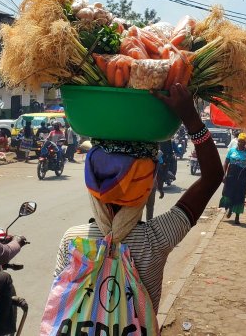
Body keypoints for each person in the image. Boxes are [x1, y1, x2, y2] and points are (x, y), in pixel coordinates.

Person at [53, 83, 224, 311]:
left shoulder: (72, 240)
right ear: (147, 186)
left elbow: (57, 308)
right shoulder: (155, 239)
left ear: (92, 184)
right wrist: (191, 117)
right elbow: (212, 178)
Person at [219, 133, 246, 224]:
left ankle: (237, 216)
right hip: (231, 176)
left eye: (242, 142)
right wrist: (223, 175)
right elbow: (226, 163)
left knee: (240, 196)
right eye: (239, 141)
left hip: (242, 177)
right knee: (228, 193)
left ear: (245, 143)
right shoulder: (232, 151)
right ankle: (229, 208)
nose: (240, 143)